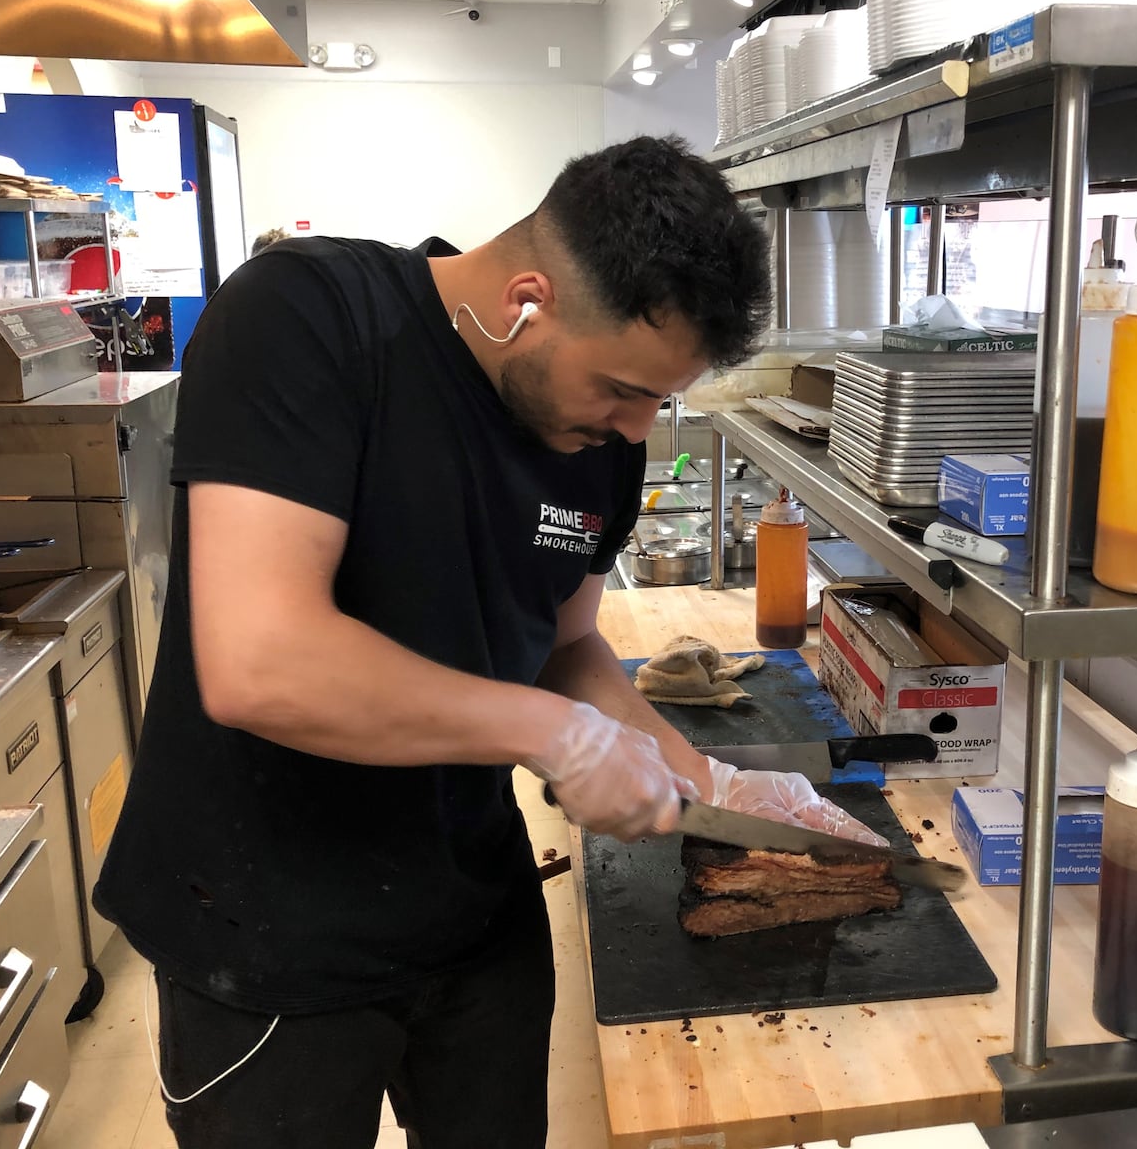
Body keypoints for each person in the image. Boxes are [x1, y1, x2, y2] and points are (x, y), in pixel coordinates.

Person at [94, 135, 883, 1149]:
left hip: (472, 912)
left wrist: (706, 781)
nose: (639, 430)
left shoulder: (602, 443)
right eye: (620, 389)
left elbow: (565, 646)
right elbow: (260, 662)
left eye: (662, 399)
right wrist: (550, 734)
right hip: (263, 930)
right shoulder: (309, 318)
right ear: (524, 297)